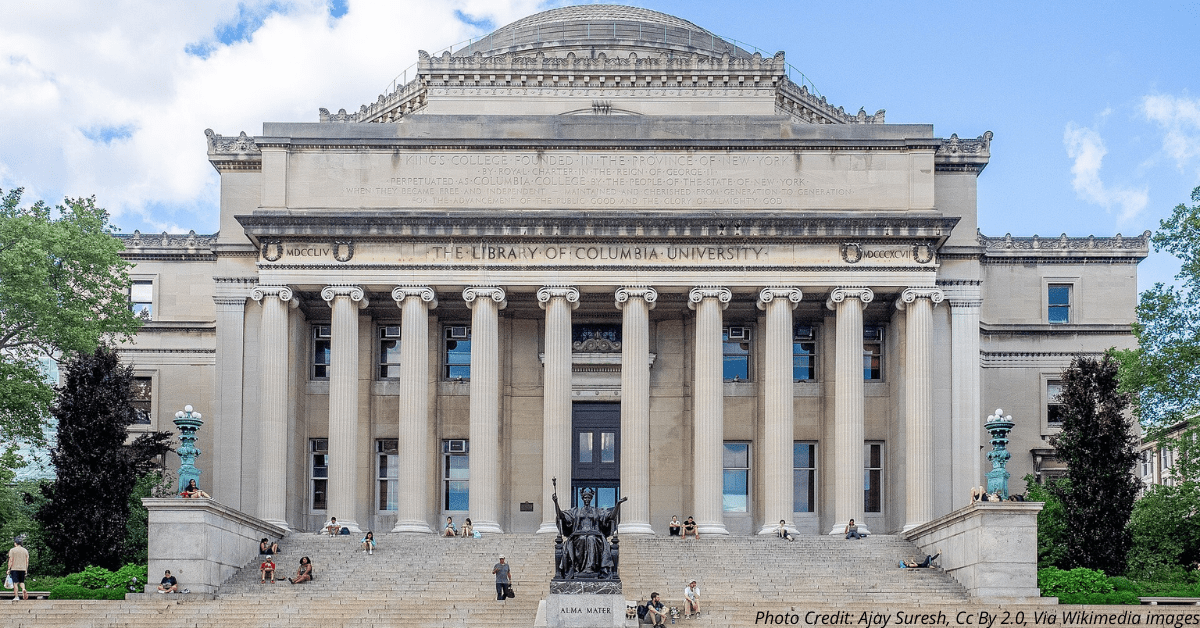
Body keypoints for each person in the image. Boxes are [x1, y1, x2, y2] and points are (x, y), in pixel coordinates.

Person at [551, 487, 626, 579]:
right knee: (582, 539)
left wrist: (618, 504)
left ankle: (590, 568)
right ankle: (579, 568)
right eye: (585, 498)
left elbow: (611, 517)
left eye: (589, 498)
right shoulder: (576, 511)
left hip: (595, 535)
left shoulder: (597, 511)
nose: (587, 500)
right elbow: (561, 516)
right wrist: (556, 503)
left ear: (591, 499)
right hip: (578, 535)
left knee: (591, 539)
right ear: (582, 499)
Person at [5, 537, 29, 602]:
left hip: (14, 568)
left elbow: (11, 560)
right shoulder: (25, 550)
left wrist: (8, 569)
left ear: (15, 543)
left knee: (15, 583)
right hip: (23, 569)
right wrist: (26, 569)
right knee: (22, 582)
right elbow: (27, 561)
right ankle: (23, 589)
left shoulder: (12, 550)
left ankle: (16, 596)